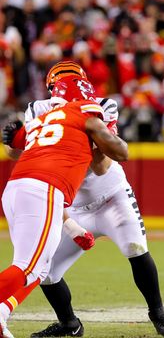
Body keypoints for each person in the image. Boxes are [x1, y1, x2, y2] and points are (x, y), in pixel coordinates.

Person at [2, 61, 164, 337]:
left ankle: (158, 313)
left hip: (110, 195)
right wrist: (14, 142)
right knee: (45, 270)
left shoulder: (101, 105)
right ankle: (69, 324)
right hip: (69, 202)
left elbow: (102, 165)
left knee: (135, 247)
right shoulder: (39, 109)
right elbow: (25, 152)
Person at [0, 73, 128, 337]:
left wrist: (72, 229)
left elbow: (14, 145)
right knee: (29, 268)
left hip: (18, 189)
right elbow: (120, 153)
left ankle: (1, 315)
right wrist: (100, 135)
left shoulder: (42, 118)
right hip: (43, 189)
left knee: (37, 268)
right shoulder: (85, 111)